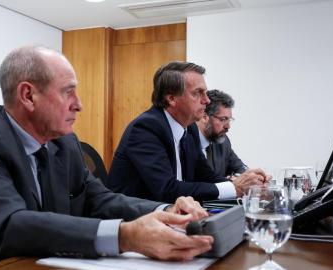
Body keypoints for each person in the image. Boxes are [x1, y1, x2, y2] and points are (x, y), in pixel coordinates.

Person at [0, 47, 214, 270]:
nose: (79, 104)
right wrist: (125, 236)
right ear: (28, 95)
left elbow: (100, 200)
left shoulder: (64, 142)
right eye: (68, 91)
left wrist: (166, 211)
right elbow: (10, 225)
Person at [106, 61, 269, 204]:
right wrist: (234, 188)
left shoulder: (189, 128)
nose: (207, 100)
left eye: (205, 92)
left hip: (171, 218)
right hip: (134, 223)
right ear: (171, 99)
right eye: (198, 93)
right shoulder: (146, 128)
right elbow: (167, 190)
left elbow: (205, 175)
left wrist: (247, 186)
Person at [196, 90, 248, 177]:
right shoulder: (187, 141)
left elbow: (240, 167)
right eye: (223, 119)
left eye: (229, 120)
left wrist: (251, 176)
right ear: (204, 117)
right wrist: (230, 182)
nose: (228, 126)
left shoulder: (223, 142)